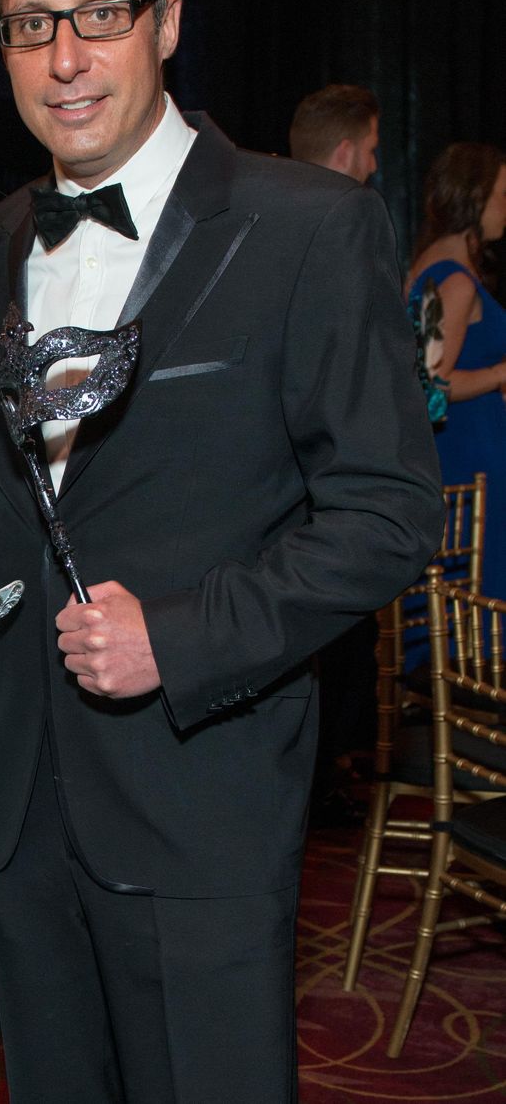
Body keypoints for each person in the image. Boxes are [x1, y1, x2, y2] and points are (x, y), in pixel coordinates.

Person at [0, 0, 443, 1103]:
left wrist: (175, 639)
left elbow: (388, 513)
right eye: (31, 23)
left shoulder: (308, 226)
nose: (64, 56)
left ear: (165, 22)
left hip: (198, 807)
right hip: (18, 817)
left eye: (99, 13)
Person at [290, 84, 385, 824]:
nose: (376, 166)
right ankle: (322, 783)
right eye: (375, 152)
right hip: (319, 506)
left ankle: (321, 779)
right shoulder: (343, 228)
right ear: (350, 151)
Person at [406, 141, 506, 598]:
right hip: (471, 457)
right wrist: (500, 374)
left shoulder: (426, 267)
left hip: (459, 453)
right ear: (474, 198)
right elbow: (430, 392)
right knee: (476, 596)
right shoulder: (456, 281)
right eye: (500, 195)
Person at [289, 83, 380, 182]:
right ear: (344, 154)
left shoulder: (274, 195)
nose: (373, 167)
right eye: (370, 151)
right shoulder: (367, 197)